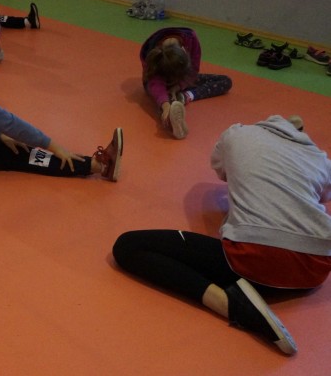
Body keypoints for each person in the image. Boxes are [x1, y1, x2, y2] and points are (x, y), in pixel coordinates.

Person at [112, 115, 331, 355]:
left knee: (128, 246)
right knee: (249, 264)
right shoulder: (319, 157)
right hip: (316, 268)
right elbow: (322, 195)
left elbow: (221, 169)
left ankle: (230, 304)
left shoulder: (237, 134)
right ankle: (252, 292)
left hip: (253, 257)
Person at [0, 30, 122, 180]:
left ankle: (92, 164)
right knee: (22, 157)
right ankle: (98, 167)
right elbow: (9, 122)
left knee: (15, 143)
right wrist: (54, 146)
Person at [140, 27, 232, 139]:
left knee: (226, 81)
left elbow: (193, 70)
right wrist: (165, 105)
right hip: (157, 83)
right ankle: (170, 115)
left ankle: (184, 96)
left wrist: (179, 86)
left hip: (183, 78)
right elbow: (155, 84)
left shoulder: (191, 39)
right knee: (164, 101)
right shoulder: (151, 53)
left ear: (184, 51)